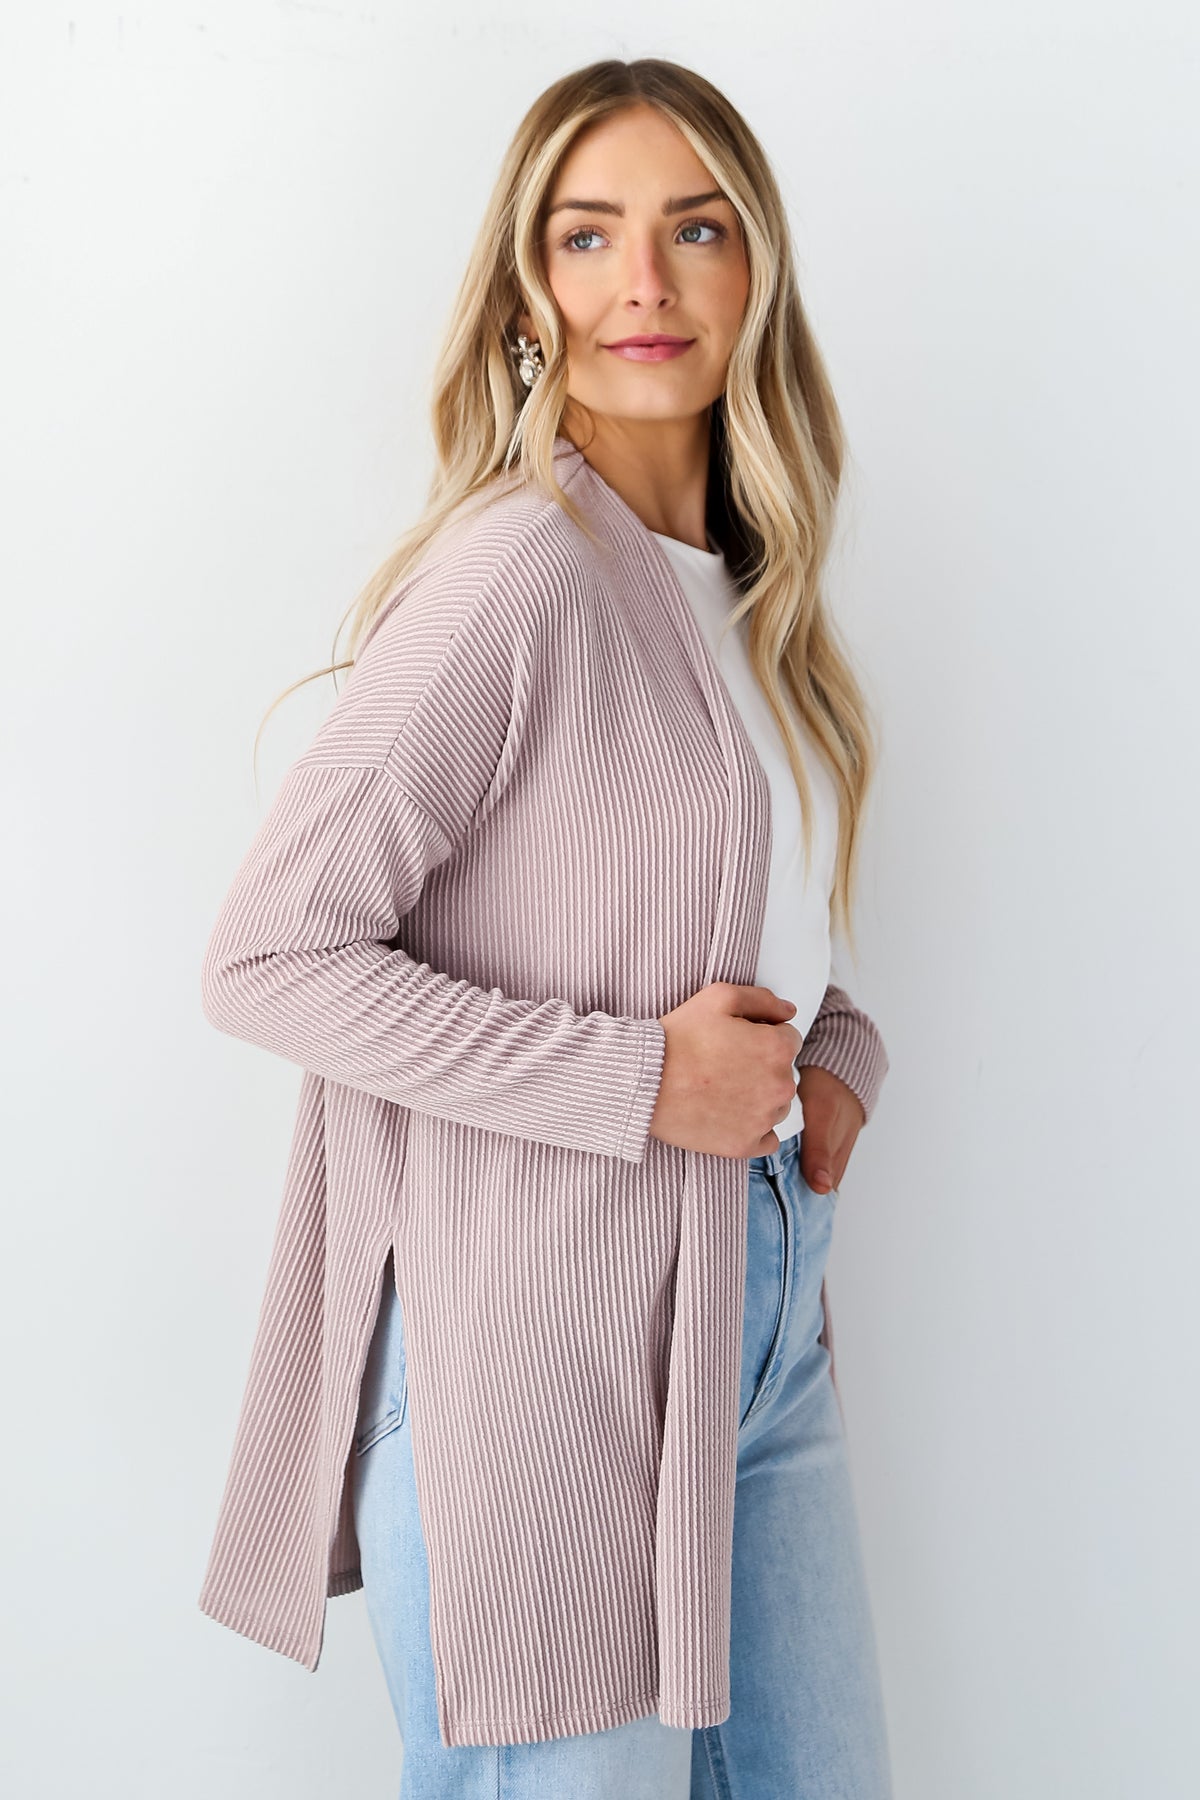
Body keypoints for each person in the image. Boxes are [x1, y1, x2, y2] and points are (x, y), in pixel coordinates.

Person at [198, 56, 894, 1799]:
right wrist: (640, 1082)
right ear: (528, 294)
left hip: (758, 1321)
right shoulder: (516, 576)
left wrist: (836, 1052)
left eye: (694, 230)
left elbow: (747, 916)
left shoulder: (760, 599)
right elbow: (269, 954)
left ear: (757, 271)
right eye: (588, 237)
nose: (642, 281)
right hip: (532, 1352)